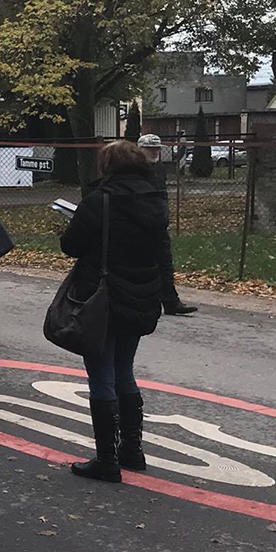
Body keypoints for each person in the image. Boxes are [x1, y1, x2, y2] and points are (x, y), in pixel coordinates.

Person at [62, 140, 170, 482]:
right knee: (124, 370)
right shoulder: (156, 199)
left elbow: (71, 244)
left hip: (103, 296)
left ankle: (106, 458)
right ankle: (132, 449)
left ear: (108, 166)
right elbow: (161, 248)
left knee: (101, 374)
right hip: (141, 294)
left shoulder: (100, 200)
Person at [138, 133, 198, 316]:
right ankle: (141, 300)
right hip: (140, 225)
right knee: (141, 265)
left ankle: (171, 301)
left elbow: (161, 195)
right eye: (150, 149)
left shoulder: (159, 170)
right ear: (140, 150)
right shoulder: (134, 171)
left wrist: (163, 217)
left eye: (156, 149)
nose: (154, 152)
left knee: (165, 264)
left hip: (158, 225)